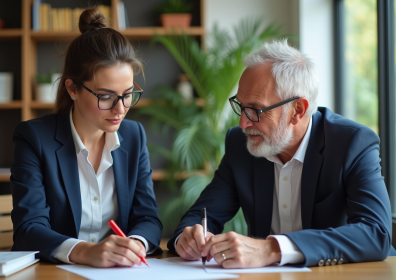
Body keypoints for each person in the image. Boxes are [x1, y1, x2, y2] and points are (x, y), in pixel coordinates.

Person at [167, 39, 396, 268]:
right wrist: (188, 238)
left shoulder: (351, 143)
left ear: (297, 110)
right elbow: (203, 213)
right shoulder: (241, 143)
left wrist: (273, 248)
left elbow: (375, 233)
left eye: (256, 110)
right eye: (240, 105)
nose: (243, 122)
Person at [11, 8, 162, 267]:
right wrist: (85, 251)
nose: (121, 108)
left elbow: (148, 218)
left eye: (128, 94)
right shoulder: (34, 138)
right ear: (72, 89)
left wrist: (135, 244)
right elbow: (29, 229)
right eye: (106, 96)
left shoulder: (134, 136)